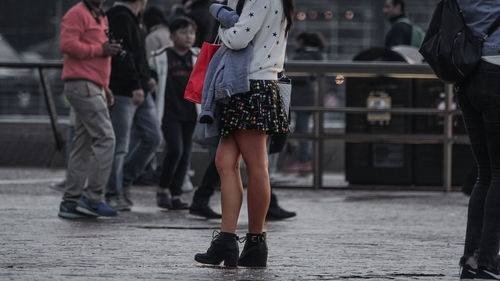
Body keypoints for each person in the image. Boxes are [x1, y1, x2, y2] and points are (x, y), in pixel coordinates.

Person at [194, 0, 294, 268]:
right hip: (247, 85)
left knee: (256, 164)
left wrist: (221, 18)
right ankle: (228, 240)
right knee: (225, 162)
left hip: (253, 84)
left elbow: (238, 39)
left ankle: (255, 241)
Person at [57, 0, 119, 219]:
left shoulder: (100, 15)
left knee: (82, 144)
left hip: (92, 85)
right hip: (82, 84)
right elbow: (67, 44)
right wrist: (99, 49)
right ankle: (92, 198)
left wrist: (104, 87)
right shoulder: (76, 14)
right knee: (106, 138)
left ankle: (70, 202)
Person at [455, 1, 500, 280]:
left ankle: (471, 261)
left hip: (467, 75)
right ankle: (487, 262)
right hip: (497, 71)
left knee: (486, 174)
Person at [105, 0, 162, 211]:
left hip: (140, 88)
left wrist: (149, 77)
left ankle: (124, 180)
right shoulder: (119, 16)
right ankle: (112, 192)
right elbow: (123, 56)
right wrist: (135, 84)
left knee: (153, 137)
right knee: (119, 145)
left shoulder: (135, 19)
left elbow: (139, 56)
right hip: (124, 90)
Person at [150, 17, 199, 210]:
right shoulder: (161, 55)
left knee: (186, 154)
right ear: (171, 36)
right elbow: (150, 72)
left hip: (191, 112)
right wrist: (151, 81)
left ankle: (176, 194)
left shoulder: (197, 56)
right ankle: (163, 189)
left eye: (192, 33)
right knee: (175, 150)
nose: (188, 37)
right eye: (183, 32)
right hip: (169, 112)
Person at [285, 32, 327, 173]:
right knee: (302, 129)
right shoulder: (318, 55)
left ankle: (304, 160)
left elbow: (294, 73)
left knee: (302, 131)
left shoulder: (305, 56)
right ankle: (304, 160)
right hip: (308, 98)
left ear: (302, 42)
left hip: (302, 99)